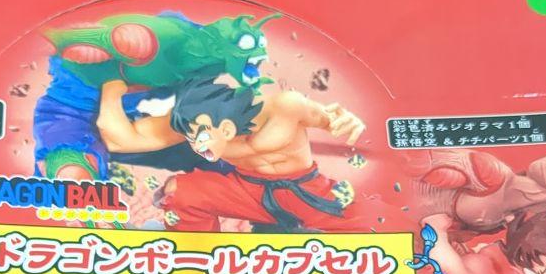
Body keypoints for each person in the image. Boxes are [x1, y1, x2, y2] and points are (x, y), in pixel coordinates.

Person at [95, 75, 366, 232]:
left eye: (200, 138)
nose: (196, 146)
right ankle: (197, 257)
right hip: (245, 191)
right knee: (180, 191)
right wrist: (111, 90)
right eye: (190, 138)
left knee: (367, 227)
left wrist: (349, 121)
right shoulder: (192, 121)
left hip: (307, 192)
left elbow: (333, 119)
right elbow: (119, 141)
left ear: (225, 128)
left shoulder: (286, 106)